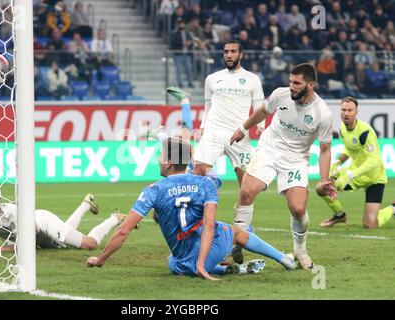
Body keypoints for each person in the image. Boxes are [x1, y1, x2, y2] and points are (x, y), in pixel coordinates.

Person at [86, 138, 296, 280]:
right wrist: (202, 265)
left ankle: (216, 267)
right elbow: (209, 226)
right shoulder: (206, 183)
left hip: (182, 260)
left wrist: (100, 260)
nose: (158, 160)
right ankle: (283, 259)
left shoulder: (153, 190)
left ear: (168, 163)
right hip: (201, 254)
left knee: (173, 261)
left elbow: (124, 230)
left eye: (160, 156)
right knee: (238, 231)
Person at [229, 63, 336, 269]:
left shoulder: (323, 113)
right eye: (290, 81)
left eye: (297, 83)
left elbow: (325, 149)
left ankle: (300, 250)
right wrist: (243, 128)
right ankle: (236, 243)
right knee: (246, 192)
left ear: (311, 85)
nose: (292, 87)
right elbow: (262, 111)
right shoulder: (281, 94)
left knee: (297, 208)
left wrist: (324, 180)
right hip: (269, 149)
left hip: (295, 158)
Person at [194, 40, 265, 234]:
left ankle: (243, 226)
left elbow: (260, 107)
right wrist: (202, 127)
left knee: (246, 186)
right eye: (226, 52)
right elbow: (207, 107)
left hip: (239, 134)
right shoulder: (212, 78)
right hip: (214, 132)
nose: (229, 55)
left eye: (233, 51)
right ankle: (197, 222)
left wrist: (260, 126)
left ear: (241, 54)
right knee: (198, 170)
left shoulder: (252, 79)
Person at [0, 186, 131, 253]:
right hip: (37, 235)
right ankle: (86, 204)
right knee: (64, 235)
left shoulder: (12, 213)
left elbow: (27, 244)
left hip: (44, 224)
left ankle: (115, 217)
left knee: (90, 244)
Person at [317, 96, 395, 228]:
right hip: (354, 173)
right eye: (343, 110)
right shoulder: (342, 128)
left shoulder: (365, 132)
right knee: (321, 187)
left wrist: (350, 175)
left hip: (374, 178)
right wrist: (338, 161)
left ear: (356, 112)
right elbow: (349, 148)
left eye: (349, 110)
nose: (346, 113)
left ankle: (393, 208)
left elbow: (374, 160)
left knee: (370, 224)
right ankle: (339, 215)